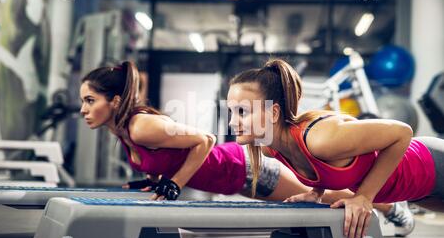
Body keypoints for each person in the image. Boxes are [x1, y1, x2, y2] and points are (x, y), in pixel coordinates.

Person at [227, 59, 443, 238]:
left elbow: (402, 132)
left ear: (273, 112)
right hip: (416, 192)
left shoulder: (320, 138)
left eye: (242, 112)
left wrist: (364, 197)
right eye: (231, 111)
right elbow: (327, 166)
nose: (232, 122)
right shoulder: (270, 150)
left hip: (431, 164)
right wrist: (316, 193)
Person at [79, 61, 355, 204]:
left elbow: (206, 139)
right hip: (232, 181)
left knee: (325, 197)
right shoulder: (124, 132)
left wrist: (174, 184)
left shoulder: (140, 127)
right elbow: (162, 157)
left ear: (114, 102)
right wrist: (154, 180)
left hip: (240, 167)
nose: (83, 109)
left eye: (90, 100)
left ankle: (388, 207)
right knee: (317, 202)